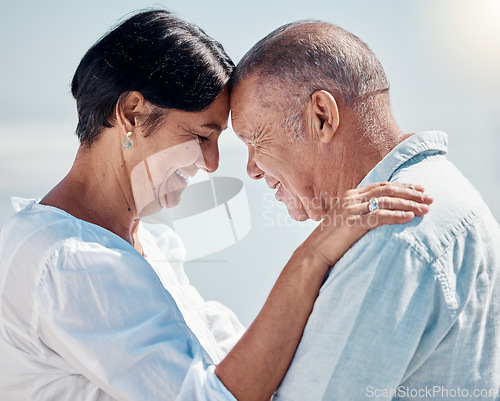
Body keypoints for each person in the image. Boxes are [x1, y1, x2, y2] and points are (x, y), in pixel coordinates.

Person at [0, 10, 433, 401]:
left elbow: (237, 361)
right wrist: (313, 255)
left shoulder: (143, 245)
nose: (212, 164)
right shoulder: (67, 261)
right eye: (201, 136)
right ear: (132, 113)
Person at [229, 20, 500, 400]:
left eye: (254, 140)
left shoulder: (392, 234)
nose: (252, 169)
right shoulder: (443, 195)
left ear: (321, 116)